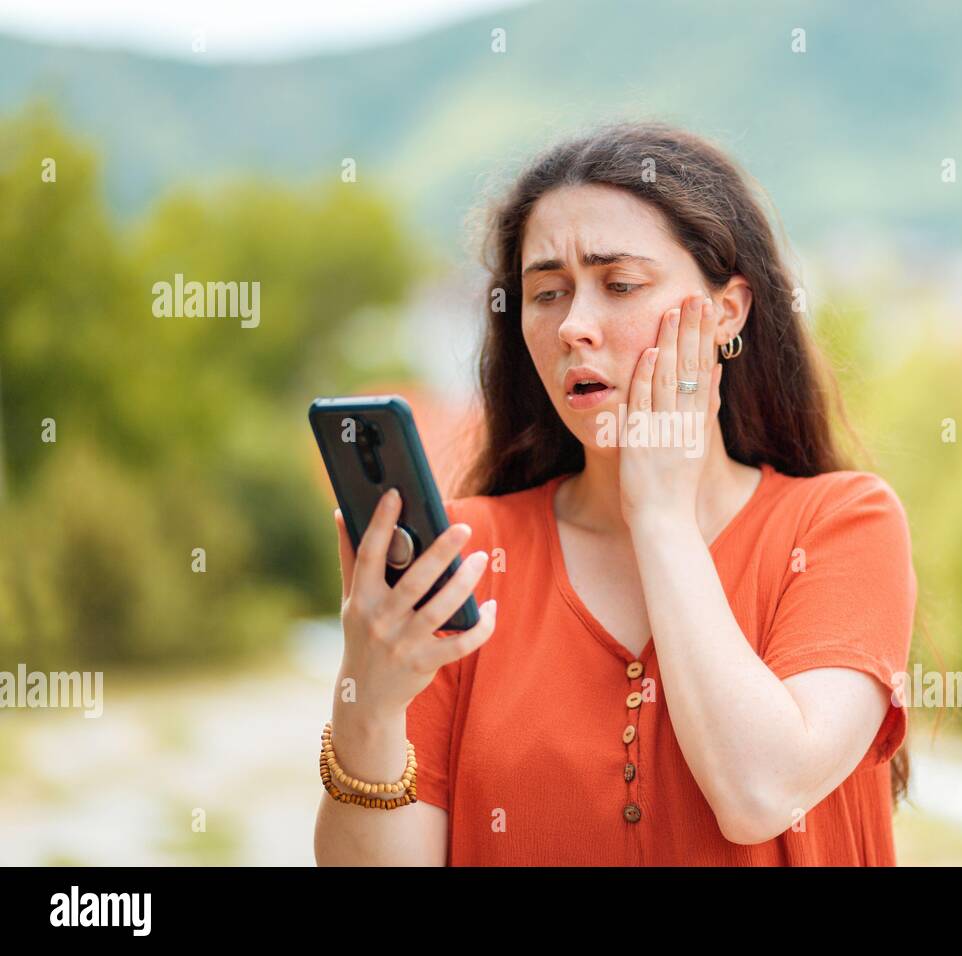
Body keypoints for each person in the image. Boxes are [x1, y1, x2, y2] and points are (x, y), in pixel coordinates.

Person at [314, 121, 917, 866]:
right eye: (546, 294)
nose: (574, 327)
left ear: (727, 311)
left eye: (621, 285)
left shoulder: (842, 525)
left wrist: (659, 511)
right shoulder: (467, 556)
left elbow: (760, 792)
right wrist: (368, 704)